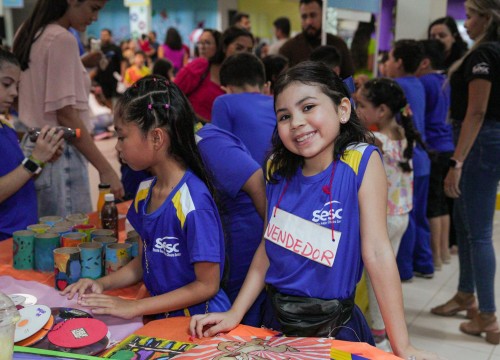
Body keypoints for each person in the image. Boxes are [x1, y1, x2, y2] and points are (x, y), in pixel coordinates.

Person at [189, 62, 442, 360]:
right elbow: (267, 248)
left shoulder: (360, 162)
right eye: (285, 116)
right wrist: (235, 313)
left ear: (343, 110)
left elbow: (377, 252)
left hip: (335, 328)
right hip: (275, 323)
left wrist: (402, 345)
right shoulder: (276, 168)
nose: (296, 122)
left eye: (308, 107)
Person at [61, 75, 231, 319]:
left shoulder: (193, 203)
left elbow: (207, 285)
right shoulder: (143, 194)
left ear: (156, 138)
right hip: (160, 317)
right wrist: (102, 283)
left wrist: (135, 307)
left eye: (122, 136)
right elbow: (144, 263)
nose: (117, 147)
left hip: (199, 323)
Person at [12, 0, 124, 218]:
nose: (95, 18)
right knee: (69, 242)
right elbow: (66, 115)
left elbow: (26, 91)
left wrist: (81, 62)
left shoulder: (27, 32)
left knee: (45, 237)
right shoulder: (63, 39)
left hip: (34, 147)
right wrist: (105, 168)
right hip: (61, 152)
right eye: (93, 8)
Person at [431, 0, 500, 345]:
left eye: (471, 14)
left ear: (487, 18)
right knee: (465, 219)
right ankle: (465, 295)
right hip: (483, 140)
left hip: (478, 143)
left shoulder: (484, 55)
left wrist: (456, 162)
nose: (466, 21)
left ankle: (487, 314)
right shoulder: (486, 53)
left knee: (478, 232)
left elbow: (477, 112)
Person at [356, 78, 421, 349]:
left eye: (361, 105)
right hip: (401, 217)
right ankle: (384, 328)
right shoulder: (404, 134)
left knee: (375, 279)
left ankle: (379, 334)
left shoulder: (377, 139)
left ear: (381, 111)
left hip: (383, 219)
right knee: (385, 274)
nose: (357, 110)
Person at [195, 121, 266, 327]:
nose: (118, 147)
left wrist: (271, 240)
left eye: (123, 136)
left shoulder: (208, 144)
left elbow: (258, 183)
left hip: (247, 264)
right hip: (228, 268)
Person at [0, 49, 64, 240]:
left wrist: (42, 160)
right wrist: (35, 160)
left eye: (17, 86)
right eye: (6, 84)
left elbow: (20, 180)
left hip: (24, 234)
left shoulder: (6, 128)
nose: (14, 93)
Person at [384, 39, 433, 281]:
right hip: (419, 160)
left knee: (406, 217)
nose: (387, 63)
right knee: (417, 215)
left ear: (399, 62)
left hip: (404, 159)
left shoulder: (395, 86)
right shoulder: (419, 84)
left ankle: (403, 269)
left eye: (390, 58)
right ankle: (424, 263)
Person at [415, 39, 454, 271]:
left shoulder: (425, 82)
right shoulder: (446, 80)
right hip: (448, 144)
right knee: (442, 204)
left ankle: (435, 257)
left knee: (432, 205)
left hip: (433, 147)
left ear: (425, 61)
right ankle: (444, 254)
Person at [175, 26, 254, 122]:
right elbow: (172, 95)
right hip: (189, 131)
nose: (245, 54)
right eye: (239, 48)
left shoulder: (246, 81)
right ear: (224, 47)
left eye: (249, 50)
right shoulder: (202, 65)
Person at [212, 52, 275, 166]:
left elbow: (218, 151)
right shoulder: (277, 102)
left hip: (248, 180)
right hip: (282, 179)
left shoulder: (224, 101)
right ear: (264, 84)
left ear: (228, 88)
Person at [279, 0, 354, 79]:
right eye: (304, 17)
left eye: (313, 15)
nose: (309, 22)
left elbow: (349, 78)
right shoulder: (288, 48)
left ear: (323, 15)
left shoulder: (338, 44)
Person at [93, 28, 126, 109]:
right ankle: (111, 114)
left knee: (117, 99)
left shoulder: (116, 48)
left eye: (105, 35)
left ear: (110, 36)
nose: (103, 37)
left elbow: (123, 62)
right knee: (106, 98)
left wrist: (122, 76)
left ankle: (116, 114)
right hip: (102, 78)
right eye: (102, 35)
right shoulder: (98, 49)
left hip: (114, 77)